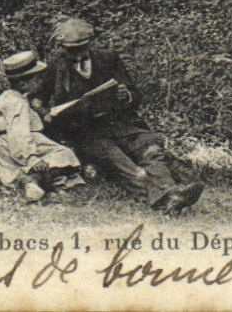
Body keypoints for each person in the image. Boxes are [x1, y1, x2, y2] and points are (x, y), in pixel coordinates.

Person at [43, 17, 203, 213]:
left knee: (149, 147)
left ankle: (169, 192)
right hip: (85, 132)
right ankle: (166, 195)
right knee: (114, 156)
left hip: (119, 123)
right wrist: (46, 113)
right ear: (61, 47)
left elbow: (135, 96)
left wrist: (125, 95)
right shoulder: (55, 67)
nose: (75, 54)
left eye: (81, 48)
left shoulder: (108, 59)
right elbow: (39, 100)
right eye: (70, 50)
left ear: (90, 43)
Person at [0, 51, 84, 202]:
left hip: (11, 144)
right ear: (23, 83)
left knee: (58, 153)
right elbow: (19, 132)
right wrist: (32, 158)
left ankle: (30, 181)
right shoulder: (16, 102)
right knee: (64, 154)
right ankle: (36, 181)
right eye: (37, 78)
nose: (41, 81)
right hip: (13, 145)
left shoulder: (14, 97)